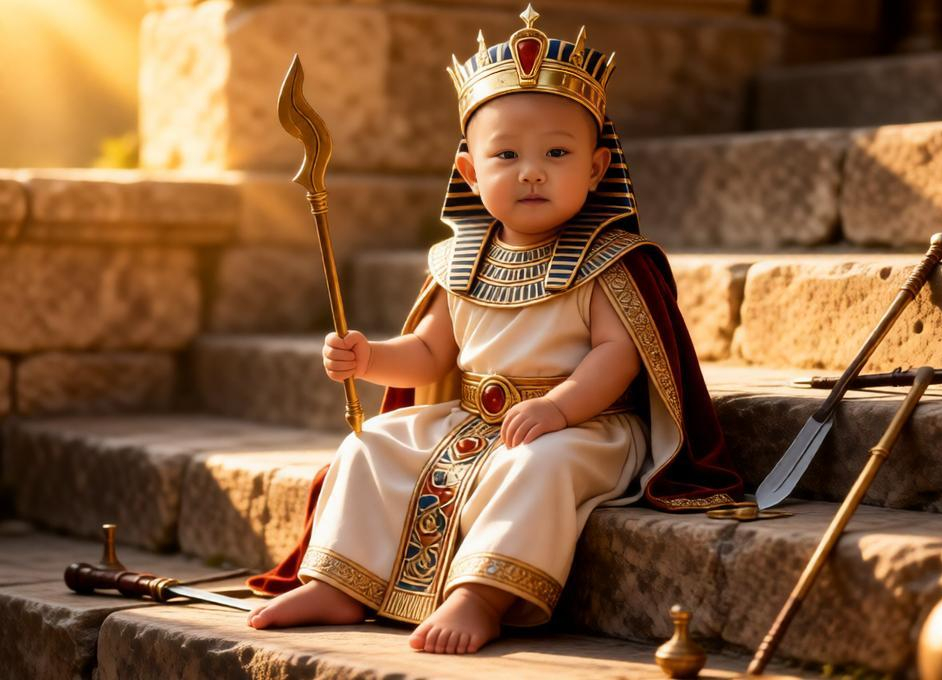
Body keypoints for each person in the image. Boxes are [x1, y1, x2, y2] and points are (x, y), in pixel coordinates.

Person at [245, 4, 744, 656]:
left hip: (583, 427)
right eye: (505, 154)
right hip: (471, 420)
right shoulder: (458, 263)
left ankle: (480, 594)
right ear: (470, 174)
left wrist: (560, 406)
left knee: (540, 465)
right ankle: (342, 581)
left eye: (556, 153)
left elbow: (618, 356)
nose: (531, 170)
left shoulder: (608, 261)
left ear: (595, 170)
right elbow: (428, 355)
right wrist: (368, 358)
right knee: (375, 445)